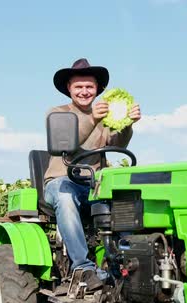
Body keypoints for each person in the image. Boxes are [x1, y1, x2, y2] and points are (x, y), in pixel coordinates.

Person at [43, 58, 141, 290]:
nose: (84, 91)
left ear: (98, 89)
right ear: (69, 88)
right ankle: (84, 268)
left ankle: (128, 264)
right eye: (79, 87)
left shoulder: (106, 117)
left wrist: (127, 123)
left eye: (90, 87)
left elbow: (118, 143)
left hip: (94, 185)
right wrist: (93, 119)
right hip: (62, 182)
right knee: (65, 195)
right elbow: (67, 143)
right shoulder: (58, 114)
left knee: (129, 201)